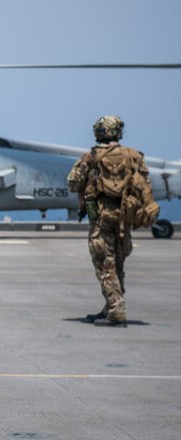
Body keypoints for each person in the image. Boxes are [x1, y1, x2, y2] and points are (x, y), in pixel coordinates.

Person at [67, 115, 158, 327]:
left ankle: (116, 310)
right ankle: (111, 305)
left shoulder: (91, 157)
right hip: (125, 217)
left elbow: (73, 182)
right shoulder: (134, 156)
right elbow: (146, 185)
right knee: (117, 264)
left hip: (101, 217)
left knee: (104, 265)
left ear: (99, 132)